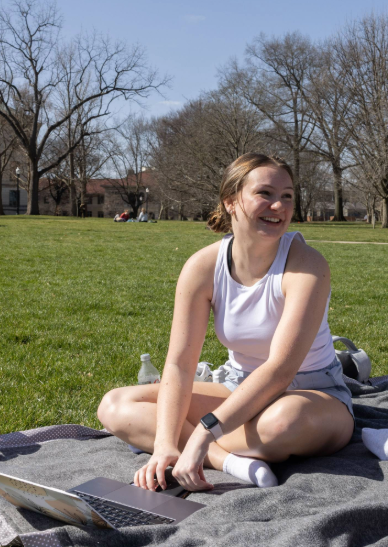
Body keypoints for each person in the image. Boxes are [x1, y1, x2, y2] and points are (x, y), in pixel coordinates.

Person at [97, 153, 354, 493]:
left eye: (287, 196)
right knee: (116, 405)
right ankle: (225, 461)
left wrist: (204, 431)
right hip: (237, 387)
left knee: (281, 423)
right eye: (265, 194)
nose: (279, 205)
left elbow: (280, 370)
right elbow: (179, 363)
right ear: (231, 202)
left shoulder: (307, 266)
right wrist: (163, 444)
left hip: (311, 394)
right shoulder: (202, 267)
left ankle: (199, 447)